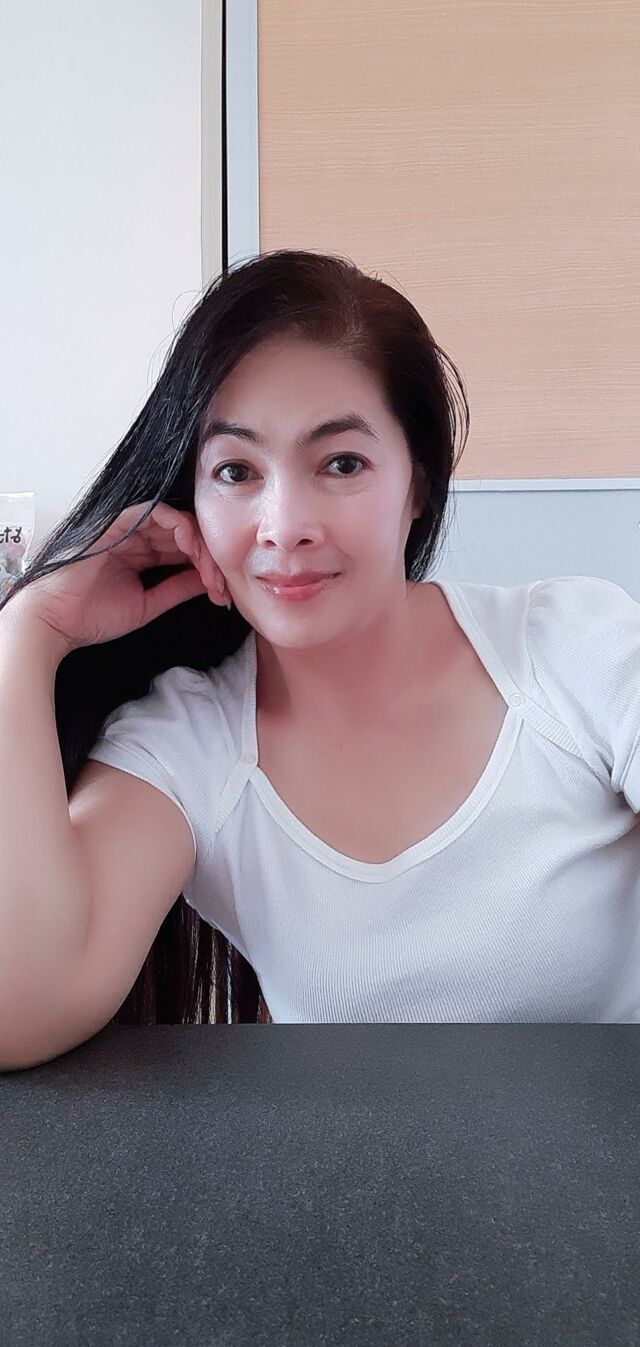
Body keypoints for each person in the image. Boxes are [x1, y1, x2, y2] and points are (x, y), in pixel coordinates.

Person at [1, 251, 639, 1067]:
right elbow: (19, 1008)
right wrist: (29, 632)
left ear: (418, 486)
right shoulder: (188, 745)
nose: (284, 525)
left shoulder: (571, 648)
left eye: (341, 463)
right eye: (236, 470)